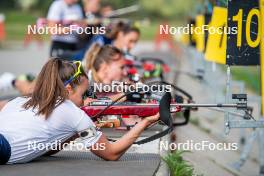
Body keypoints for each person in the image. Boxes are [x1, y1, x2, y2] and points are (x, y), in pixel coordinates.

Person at [0, 58, 159, 164]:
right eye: (83, 94)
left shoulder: (23, 99)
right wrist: (146, 122)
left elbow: (45, 149)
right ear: (68, 90)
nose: (85, 100)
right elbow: (111, 153)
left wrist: (75, 132)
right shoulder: (73, 112)